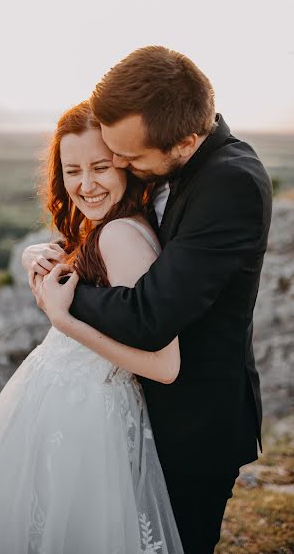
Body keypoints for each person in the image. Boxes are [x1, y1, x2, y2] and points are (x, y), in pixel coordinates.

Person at [0, 101, 184, 554]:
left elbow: (165, 366)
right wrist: (39, 253)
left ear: (126, 166)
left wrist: (63, 321)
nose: (85, 185)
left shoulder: (120, 235)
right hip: (67, 408)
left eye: (100, 167)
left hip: (88, 418)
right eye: (72, 171)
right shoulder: (107, 227)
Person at [24, 45, 273, 554]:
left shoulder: (231, 184)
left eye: (129, 158)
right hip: (134, 415)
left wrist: (64, 298)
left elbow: (149, 315)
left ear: (183, 141)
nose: (120, 165)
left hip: (194, 421)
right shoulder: (163, 163)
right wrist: (61, 256)